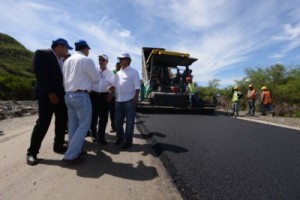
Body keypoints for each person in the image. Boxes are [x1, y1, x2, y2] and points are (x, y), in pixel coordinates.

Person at [26, 38, 73, 166]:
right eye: (66, 48)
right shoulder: (42, 53)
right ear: (59, 46)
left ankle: (58, 146)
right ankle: (32, 152)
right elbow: (40, 74)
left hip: (61, 96)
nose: (67, 50)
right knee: (43, 123)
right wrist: (50, 92)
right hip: (47, 95)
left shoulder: (62, 60)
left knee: (62, 121)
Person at [62, 40, 100, 164]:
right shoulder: (86, 60)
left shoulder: (67, 61)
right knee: (84, 126)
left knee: (73, 126)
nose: (88, 52)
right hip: (81, 95)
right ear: (85, 48)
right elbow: (96, 78)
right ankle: (71, 155)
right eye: (88, 49)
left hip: (68, 95)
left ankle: (74, 150)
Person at [111, 52, 140, 149]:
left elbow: (137, 87)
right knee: (117, 122)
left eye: (122, 59)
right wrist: (111, 89)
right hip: (118, 101)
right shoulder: (118, 73)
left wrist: (136, 97)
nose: (120, 60)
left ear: (128, 60)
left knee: (130, 122)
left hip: (129, 101)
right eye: (119, 59)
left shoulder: (134, 72)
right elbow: (114, 86)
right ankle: (120, 138)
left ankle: (128, 141)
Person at [90, 54, 114, 144]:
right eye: (99, 59)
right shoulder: (94, 70)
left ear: (107, 62)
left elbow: (113, 85)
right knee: (93, 117)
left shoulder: (110, 73)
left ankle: (101, 137)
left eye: (103, 60)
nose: (101, 61)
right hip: (93, 95)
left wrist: (111, 93)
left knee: (103, 118)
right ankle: (93, 134)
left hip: (104, 96)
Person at [108, 62, 121, 132]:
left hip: (120, 96)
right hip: (113, 96)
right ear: (115, 66)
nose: (118, 67)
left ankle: (118, 127)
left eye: (119, 66)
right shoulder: (112, 73)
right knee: (112, 113)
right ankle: (113, 126)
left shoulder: (122, 73)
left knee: (119, 113)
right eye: (117, 65)